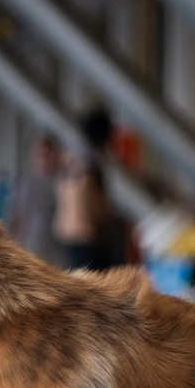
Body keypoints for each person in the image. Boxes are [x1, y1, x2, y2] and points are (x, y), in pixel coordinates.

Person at [54, 107, 126, 271]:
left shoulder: (72, 157)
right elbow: (93, 202)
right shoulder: (93, 163)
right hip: (87, 235)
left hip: (66, 232)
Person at [7, 133, 59, 263]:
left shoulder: (62, 183)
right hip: (31, 248)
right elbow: (15, 216)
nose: (43, 159)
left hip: (58, 251)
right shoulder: (24, 184)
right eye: (39, 154)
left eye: (47, 154)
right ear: (32, 155)